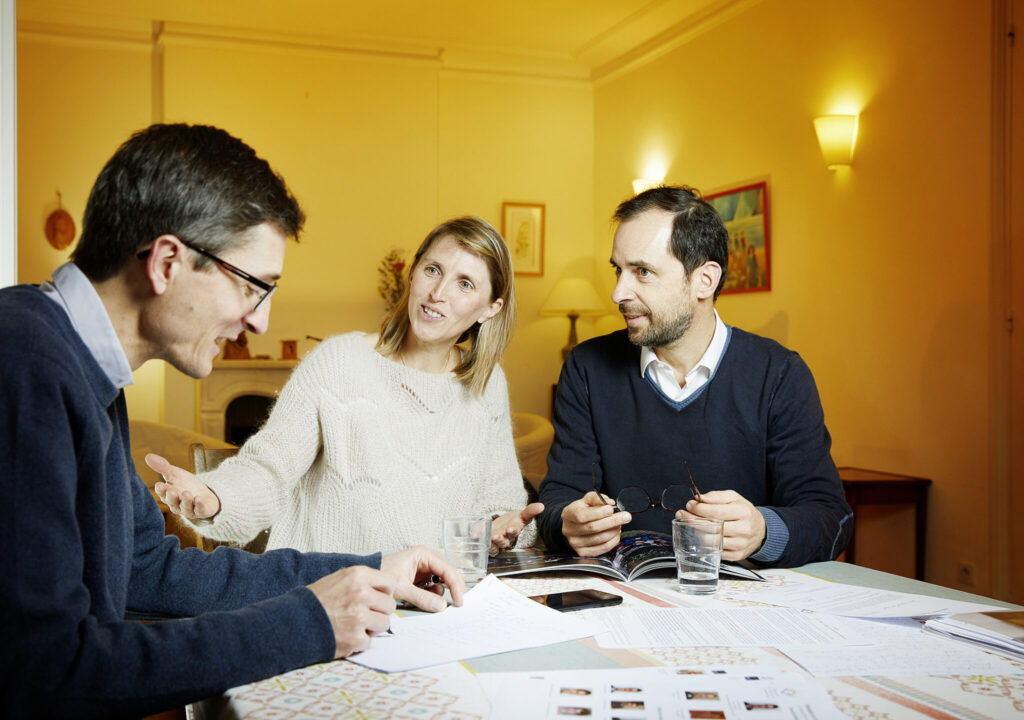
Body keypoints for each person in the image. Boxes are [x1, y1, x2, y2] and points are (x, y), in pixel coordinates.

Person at [0, 123, 465, 720]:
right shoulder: (25, 365)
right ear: (168, 261)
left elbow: (154, 570)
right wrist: (309, 623)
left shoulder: (79, 365)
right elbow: (47, 673)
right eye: (254, 287)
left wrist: (370, 569)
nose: (260, 323)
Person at [150, 216, 543, 555]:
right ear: (413, 272)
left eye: (465, 284)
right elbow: (270, 468)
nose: (438, 294)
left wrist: (501, 529)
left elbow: (504, 507)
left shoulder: (487, 385)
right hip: (337, 601)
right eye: (433, 270)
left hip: (437, 607)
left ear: (492, 308)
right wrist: (217, 499)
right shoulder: (338, 362)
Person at [536, 185, 852, 568]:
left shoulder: (779, 373)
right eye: (619, 270)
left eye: (643, 272)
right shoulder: (586, 367)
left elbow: (832, 519)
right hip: (621, 602)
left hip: (742, 608)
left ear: (705, 280)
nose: (619, 292)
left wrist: (763, 531)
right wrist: (566, 522)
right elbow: (555, 502)